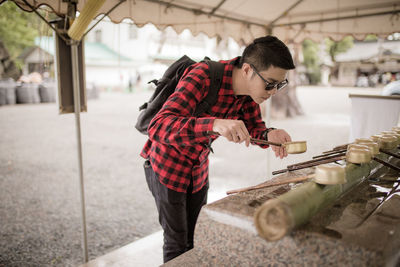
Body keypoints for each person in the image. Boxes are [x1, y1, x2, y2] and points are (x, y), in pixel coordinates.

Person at [140, 35, 295, 263]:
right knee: (176, 242)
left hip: (197, 170)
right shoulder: (203, 76)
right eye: (270, 83)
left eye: (279, 85)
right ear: (247, 70)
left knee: (196, 237)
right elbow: (159, 125)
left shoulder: (250, 93)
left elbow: (252, 128)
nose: (273, 92)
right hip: (167, 167)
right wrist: (213, 123)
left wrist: (269, 134)